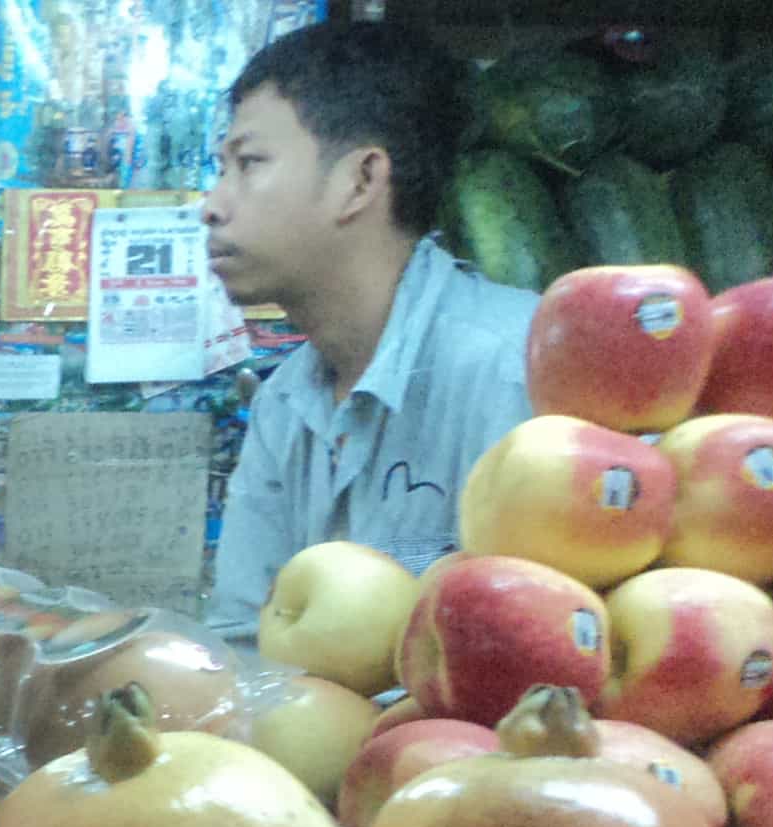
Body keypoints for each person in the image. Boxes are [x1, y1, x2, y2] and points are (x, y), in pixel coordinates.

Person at [202, 22, 537, 641]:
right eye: (220, 168)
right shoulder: (284, 404)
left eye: (248, 164)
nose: (212, 204)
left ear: (360, 181)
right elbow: (242, 647)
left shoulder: (513, 371)